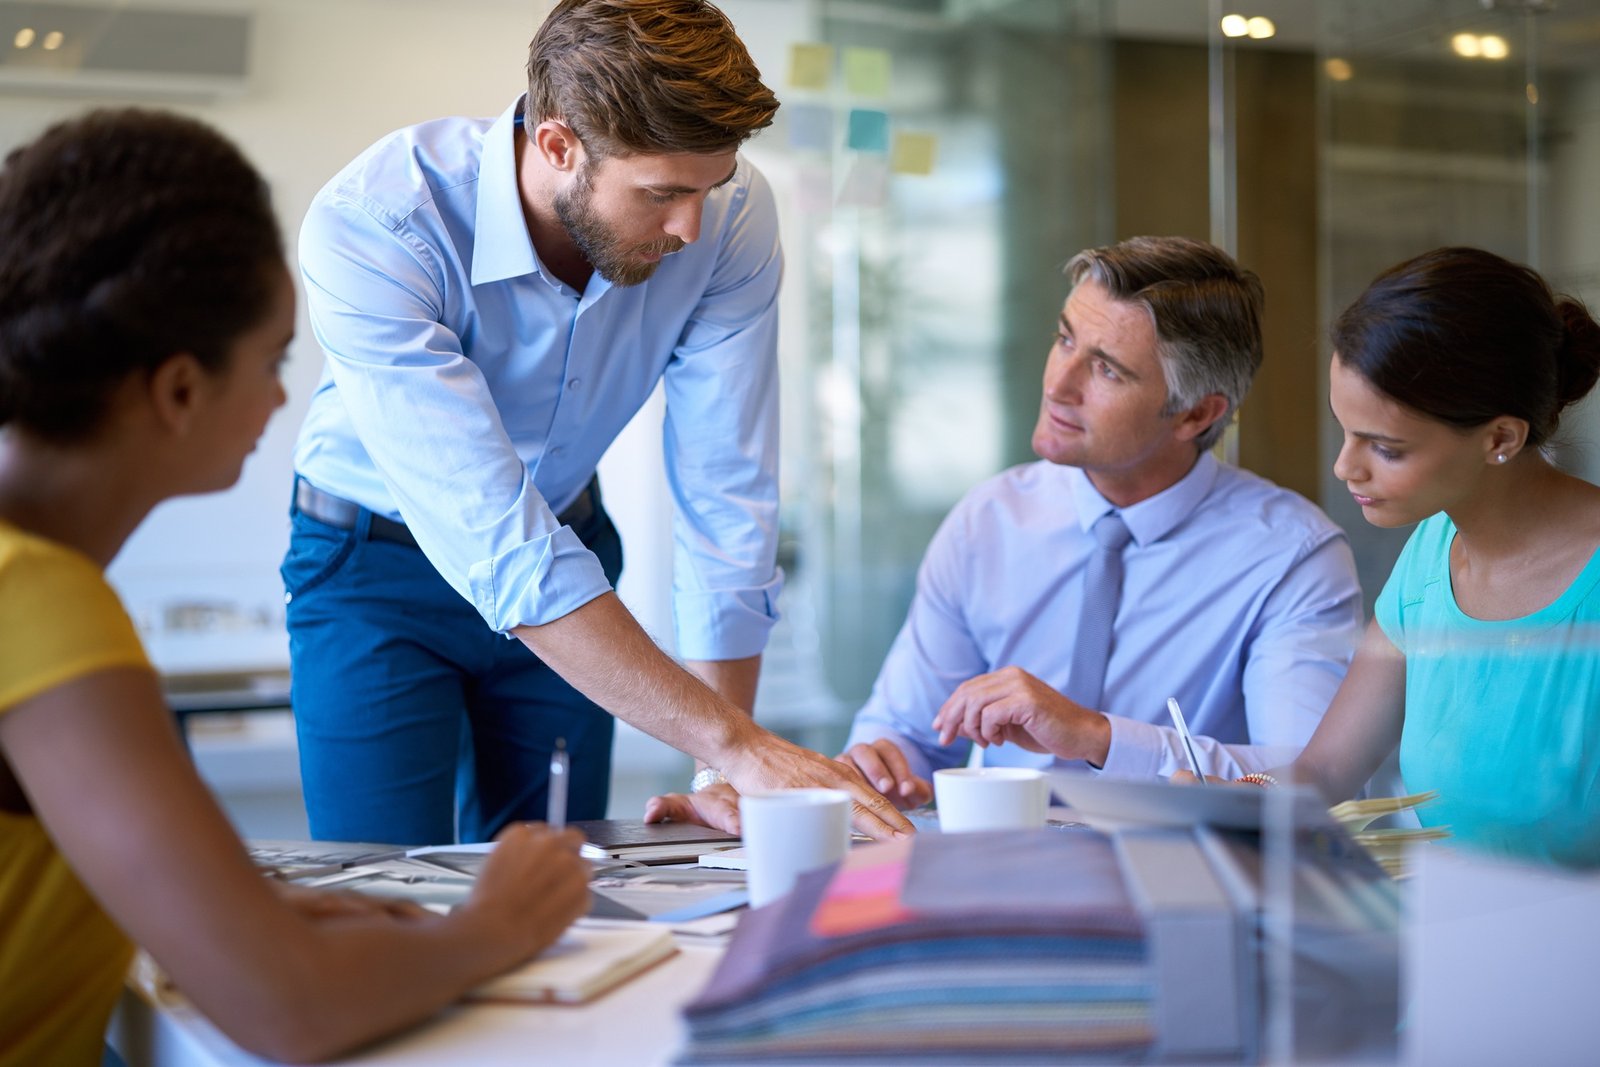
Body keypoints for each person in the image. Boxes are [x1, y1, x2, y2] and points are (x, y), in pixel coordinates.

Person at [0, 109, 594, 1067]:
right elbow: (291, 1008)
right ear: (180, 390)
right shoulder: (40, 606)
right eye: (276, 359)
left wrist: (257, 910)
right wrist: (497, 923)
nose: (286, 397)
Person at [286, 0, 907, 843]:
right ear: (557, 145)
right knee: (384, 877)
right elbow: (496, 539)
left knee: (561, 871)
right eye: (662, 194)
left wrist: (720, 771)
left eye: (709, 186)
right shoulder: (380, 222)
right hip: (373, 566)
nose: (690, 226)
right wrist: (741, 743)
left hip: (571, 544)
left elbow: (726, 489)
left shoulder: (729, 217)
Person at [827, 236, 1365, 807]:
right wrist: (882, 764)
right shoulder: (987, 522)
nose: (1058, 386)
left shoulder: (1291, 557)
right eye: (1065, 340)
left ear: (1196, 413)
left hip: (1185, 861)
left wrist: (1098, 737)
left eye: (1106, 369)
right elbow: (906, 733)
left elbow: (1309, 778)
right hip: (1000, 855)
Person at [1186, 247, 1600, 868]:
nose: (1344, 467)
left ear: (1500, 438)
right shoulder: (1430, 556)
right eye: (1346, 431)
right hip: (1453, 917)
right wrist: (1242, 797)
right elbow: (1324, 770)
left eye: (1385, 448)